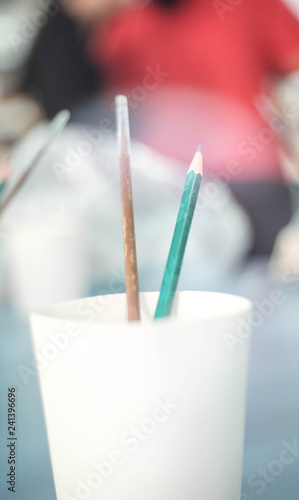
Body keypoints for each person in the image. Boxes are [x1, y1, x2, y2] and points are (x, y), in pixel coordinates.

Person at [75, 0, 299, 255]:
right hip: (177, 193)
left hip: (254, 184)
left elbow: (292, 78)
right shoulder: (125, 29)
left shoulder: (253, 6)